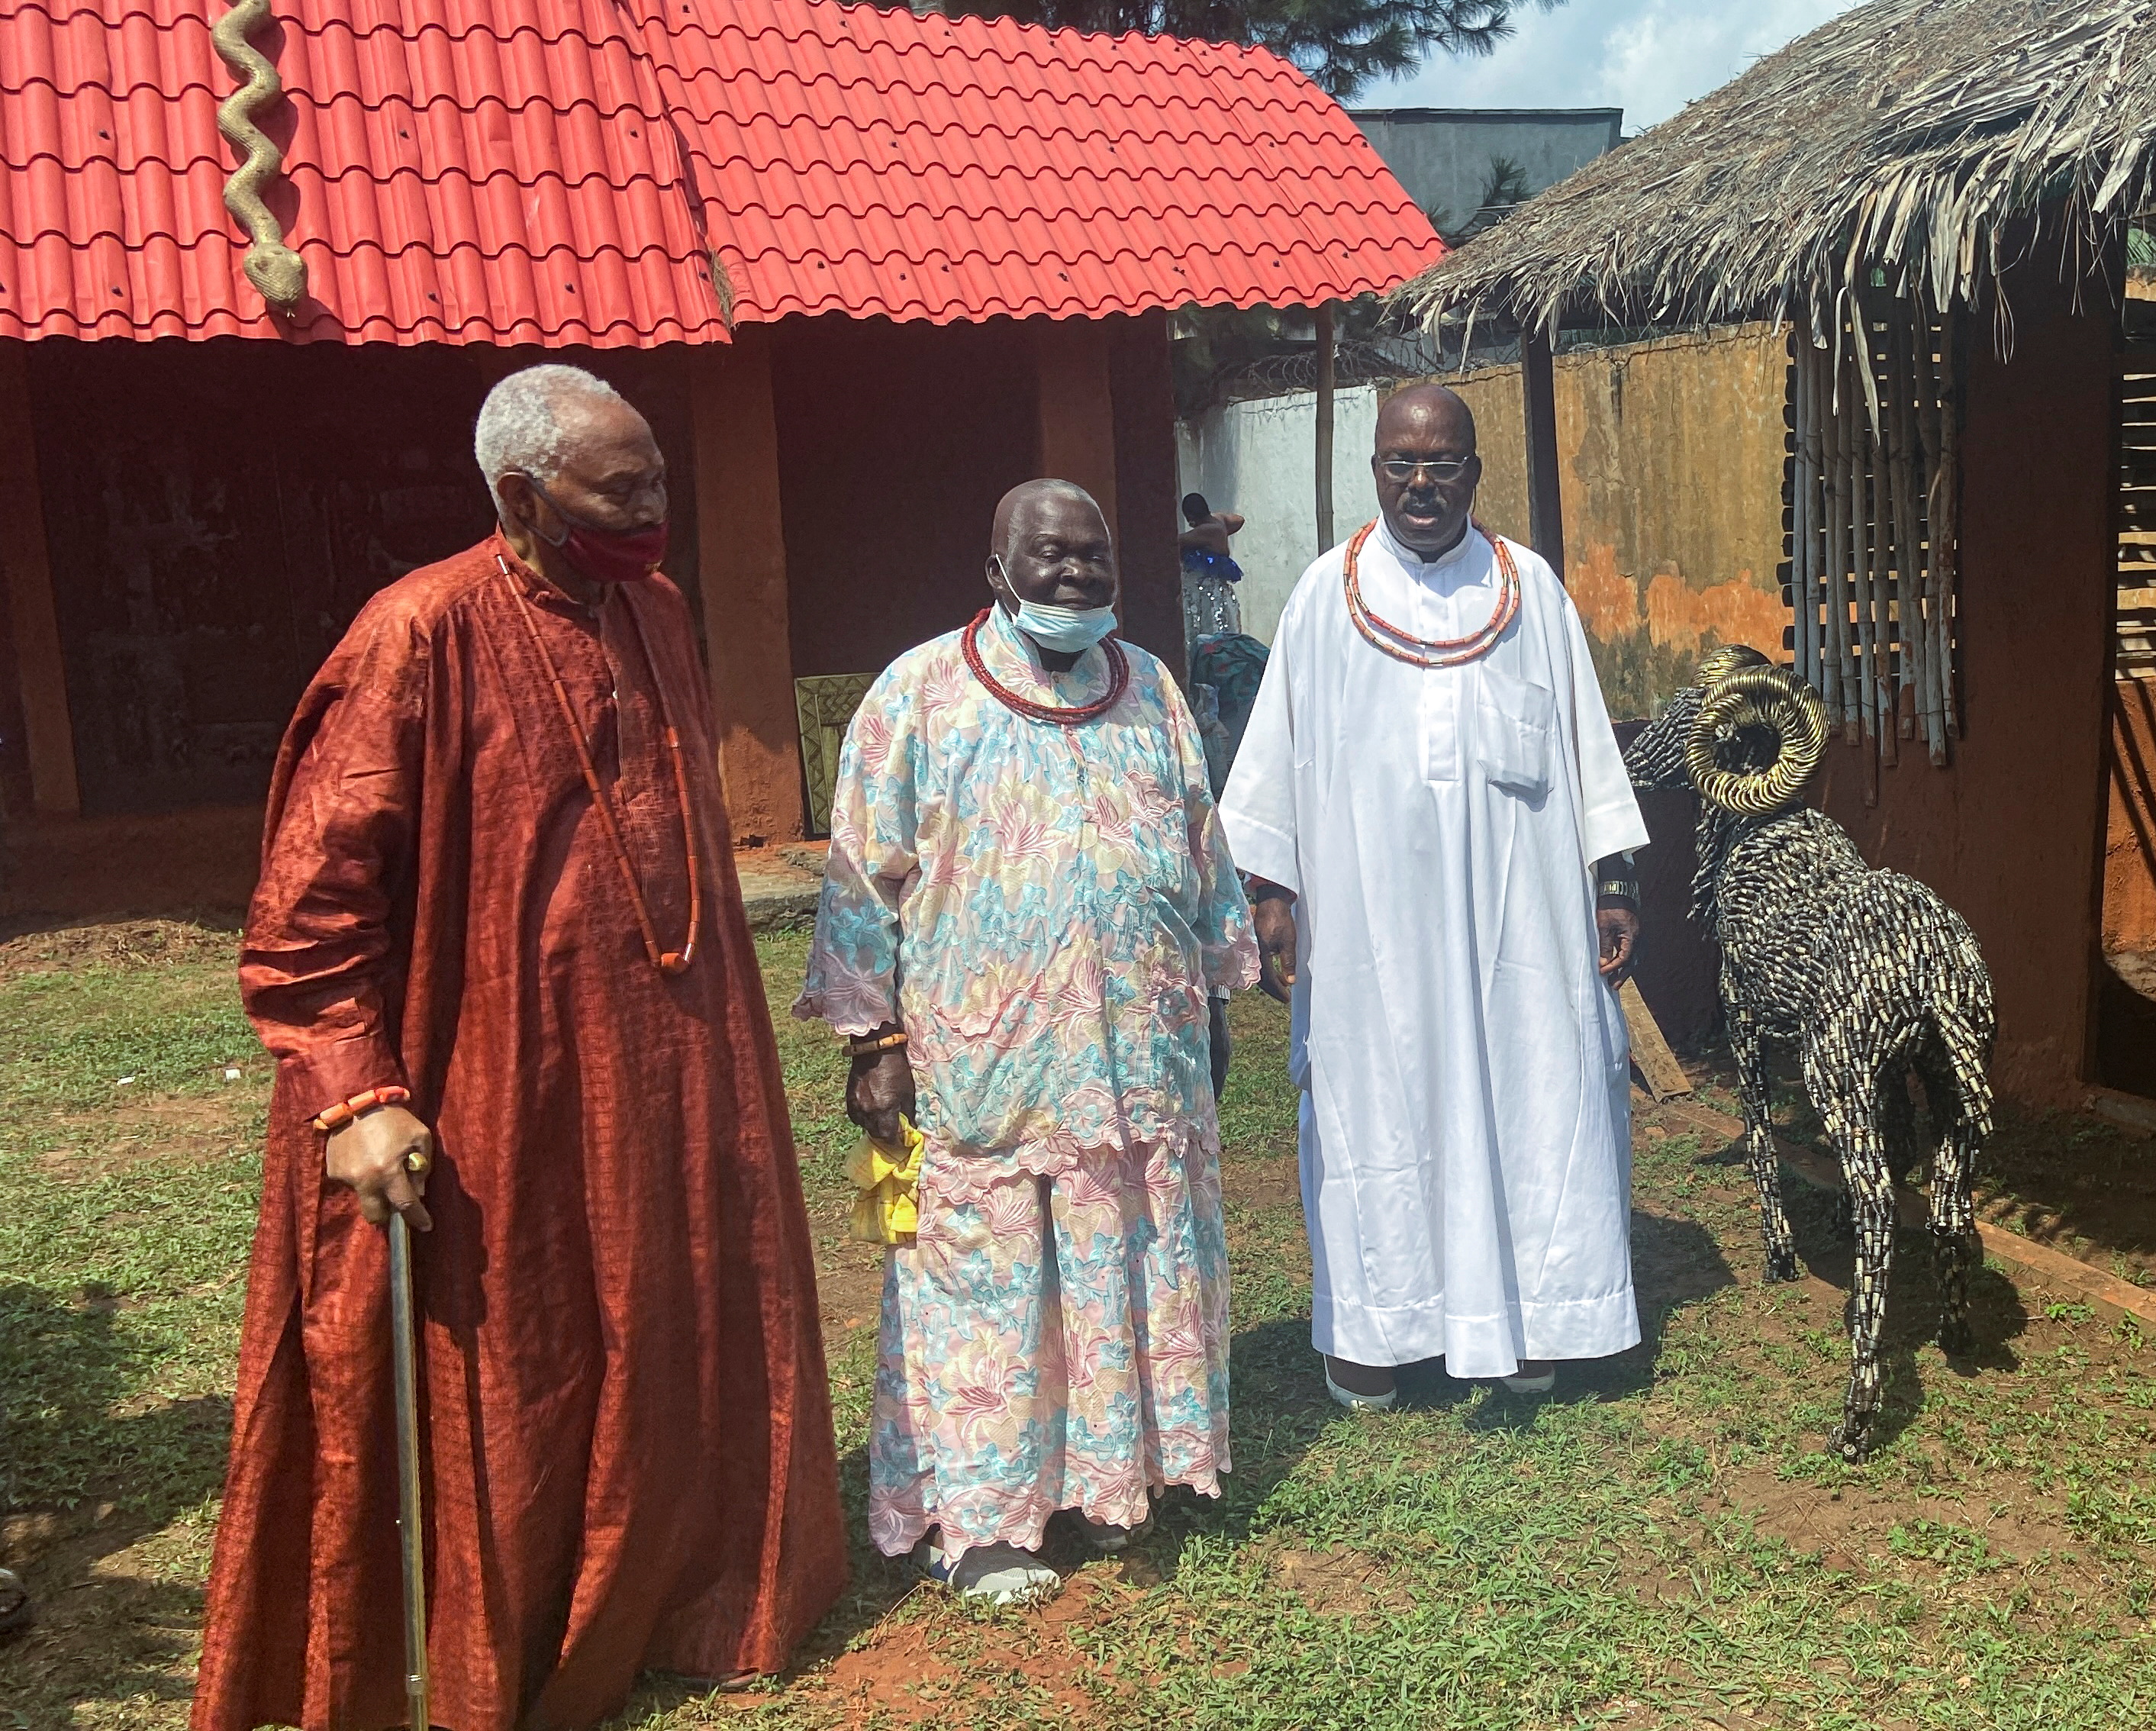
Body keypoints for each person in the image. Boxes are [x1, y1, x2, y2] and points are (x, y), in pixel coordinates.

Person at [195, 366, 846, 1731]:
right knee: (520, 1346)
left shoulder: (654, 606)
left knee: (668, 1324)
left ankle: (674, 1592)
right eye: (624, 493)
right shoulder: (414, 632)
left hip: (664, 1056)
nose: (655, 510)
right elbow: (307, 911)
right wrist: (357, 1091)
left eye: (660, 479)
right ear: (520, 497)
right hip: (491, 1069)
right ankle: (502, 1645)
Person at [799, 480, 1255, 1605]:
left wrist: (1211, 995)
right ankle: (991, 1526)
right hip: (983, 1070)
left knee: (1134, 1257)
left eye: (1094, 555)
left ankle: (1115, 1485)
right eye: (1049, 555)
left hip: (1141, 1060)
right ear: (997, 569)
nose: (1075, 574)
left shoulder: (1151, 687)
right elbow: (862, 877)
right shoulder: (918, 694)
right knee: (989, 1283)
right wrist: (874, 1039)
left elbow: (1203, 852)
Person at [1219, 385, 1647, 1409]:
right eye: (1398, 464)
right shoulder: (1327, 595)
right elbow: (1272, 767)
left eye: (1442, 462)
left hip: (1522, 926)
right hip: (1372, 929)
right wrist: (1272, 897)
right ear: (1374, 471)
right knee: (1374, 1105)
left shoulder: (1531, 590)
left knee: (1539, 1091)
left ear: (1473, 471)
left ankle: (1538, 1318)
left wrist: (1610, 881)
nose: (1420, 483)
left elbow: (1587, 748)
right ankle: (1379, 1329)